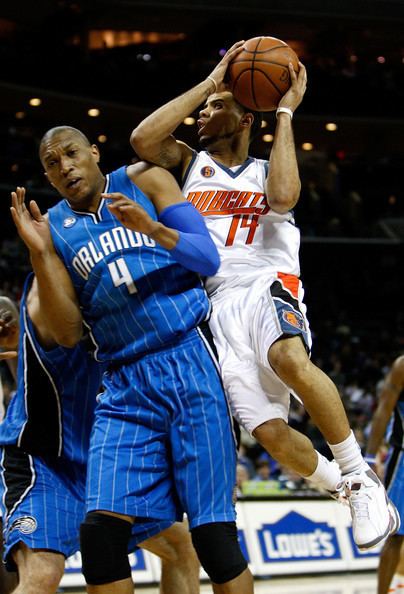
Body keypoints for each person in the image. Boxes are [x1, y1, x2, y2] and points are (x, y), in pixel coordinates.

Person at [130, 39, 399, 551]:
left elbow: (282, 198)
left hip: (267, 280)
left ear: (247, 117)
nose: (204, 114)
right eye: (206, 107)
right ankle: (347, 488)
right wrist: (213, 82)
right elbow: (144, 139)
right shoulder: (189, 165)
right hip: (213, 305)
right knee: (271, 433)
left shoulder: (264, 167)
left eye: (217, 106)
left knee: (289, 358)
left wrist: (285, 113)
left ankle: (357, 469)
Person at [11, 127, 254, 594]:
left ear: (94, 153)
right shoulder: (54, 230)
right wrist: (40, 252)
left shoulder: (145, 179)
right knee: (101, 536)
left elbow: (206, 259)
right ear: (46, 174)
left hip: (189, 361)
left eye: (72, 154)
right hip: (123, 381)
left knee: (213, 540)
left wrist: (152, 229)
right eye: (52, 163)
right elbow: (64, 333)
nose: (65, 167)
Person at [0, 280, 201, 594]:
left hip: (101, 463)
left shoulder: (129, 315)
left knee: (180, 546)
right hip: (41, 461)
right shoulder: (52, 291)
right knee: (42, 574)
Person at [365, 356, 404, 594]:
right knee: (396, 535)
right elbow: (383, 410)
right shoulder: (402, 366)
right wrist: (369, 458)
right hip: (402, 458)